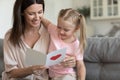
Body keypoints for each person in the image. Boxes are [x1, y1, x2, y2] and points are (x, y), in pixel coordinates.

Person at [2, 0, 76, 80]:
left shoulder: (50, 32)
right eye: (31, 14)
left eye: (40, 12)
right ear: (21, 13)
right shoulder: (10, 36)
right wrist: (30, 70)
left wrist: (71, 61)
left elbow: (65, 51)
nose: (37, 18)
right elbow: (10, 72)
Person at [41, 8, 86, 80]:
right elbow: (46, 22)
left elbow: (80, 65)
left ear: (76, 28)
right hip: (51, 75)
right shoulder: (54, 30)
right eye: (59, 27)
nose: (61, 32)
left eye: (66, 30)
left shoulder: (76, 44)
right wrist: (39, 17)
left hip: (66, 75)